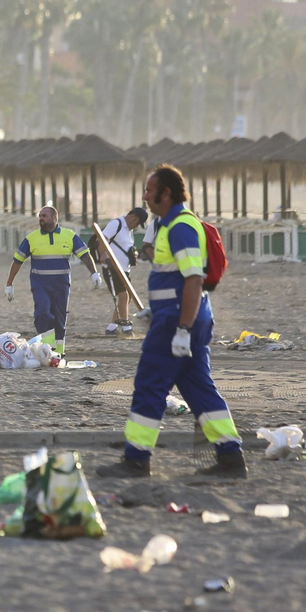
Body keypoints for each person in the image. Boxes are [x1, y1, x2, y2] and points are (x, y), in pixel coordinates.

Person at [103, 165, 244, 479]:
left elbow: (194, 279)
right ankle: (231, 458)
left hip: (178, 323)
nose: (145, 197)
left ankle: (136, 459)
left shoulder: (180, 227)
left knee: (149, 384)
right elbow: (176, 279)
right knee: (199, 389)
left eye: (150, 191)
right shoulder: (169, 225)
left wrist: (181, 327)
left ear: (166, 193)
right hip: (178, 316)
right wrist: (157, 308)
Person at [4, 205, 103, 357]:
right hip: (40, 284)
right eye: (39, 216)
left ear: (55, 218)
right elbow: (18, 260)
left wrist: (94, 273)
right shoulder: (32, 238)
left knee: (60, 316)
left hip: (61, 284)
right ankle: (48, 347)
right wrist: (9, 283)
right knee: (42, 312)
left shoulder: (69, 236)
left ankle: (59, 352)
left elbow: (85, 255)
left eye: (44, 216)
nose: (40, 218)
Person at [99, 206, 148, 336]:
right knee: (123, 296)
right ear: (133, 217)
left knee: (127, 298)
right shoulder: (117, 224)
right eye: (137, 223)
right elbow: (102, 238)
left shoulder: (127, 230)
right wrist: (103, 255)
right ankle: (126, 327)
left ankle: (112, 327)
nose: (137, 226)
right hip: (112, 267)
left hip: (123, 269)